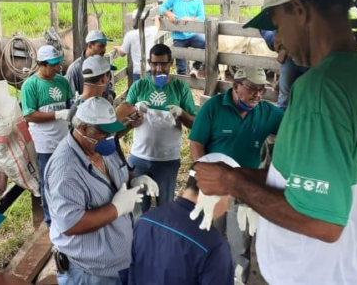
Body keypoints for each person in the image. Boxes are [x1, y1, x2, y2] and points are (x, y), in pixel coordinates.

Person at [193, 0, 357, 284]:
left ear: (299, 10)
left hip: (314, 273)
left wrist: (232, 182)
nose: (277, 41)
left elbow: (323, 222)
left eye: (278, 25)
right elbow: (314, 181)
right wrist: (236, 173)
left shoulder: (320, 89)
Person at [44, 97, 159, 285]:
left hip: (119, 265)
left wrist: (136, 179)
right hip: (90, 274)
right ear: (82, 129)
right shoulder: (65, 171)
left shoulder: (102, 147)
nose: (108, 138)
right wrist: (116, 209)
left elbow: (120, 171)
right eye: (102, 133)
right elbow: (70, 224)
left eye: (110, 132)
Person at [188, 67, 283, 284]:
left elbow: (294, 126)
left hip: (245, 189)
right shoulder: (214, 107)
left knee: (240, 243)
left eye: (262, 89)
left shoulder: (267, 112)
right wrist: (203, 177)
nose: (258, 94)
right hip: (215, 187)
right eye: (252, 88)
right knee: (208, 235)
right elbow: (196, 142)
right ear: (236, 85)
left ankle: (237, 279)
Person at [260, 0, 357, 110]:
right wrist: (281, 46)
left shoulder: (325, 80)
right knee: (286, 95)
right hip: (294, 57)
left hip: (308, 60)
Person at [121, 153, 236, 285]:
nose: (227, 209)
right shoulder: (214, 246)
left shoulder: (145, 220)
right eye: (231, 199)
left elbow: (132, 274)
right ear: (218, 193)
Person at [121, 44, 197, 213]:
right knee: (138, 208)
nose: (159, 68)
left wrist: (182, 113)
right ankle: (139, 238)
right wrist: (134, 111)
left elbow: (194, 124)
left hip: (167, 159)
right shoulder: (139, 86)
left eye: (163, 64)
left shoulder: (180, 88)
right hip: (139, 157)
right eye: (155, 64)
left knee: (165, 208)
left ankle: (161, 239)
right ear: (149, 62)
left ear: (171, 63)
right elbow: (122, 118)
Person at [21, 45, 75, 226]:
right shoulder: (31, 85)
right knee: (47, 181)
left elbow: (69, 103)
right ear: (40, 65)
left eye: (57, 64)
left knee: (67, 176)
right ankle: (50, 220)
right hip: (45, 142)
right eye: (52, 65)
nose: (56, 68)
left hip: (64, 139)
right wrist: (58, 115)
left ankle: (67, 211)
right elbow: (29, 115)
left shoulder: (62, 81)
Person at [159, 0, 205, 77]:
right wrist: (169, 13)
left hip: (192, 34)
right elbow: (162, 8)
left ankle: (195, 68)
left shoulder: (198, 0)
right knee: (181, 69)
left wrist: (190, 19)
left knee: (207, 44)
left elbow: (201, 17)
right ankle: (182, 85)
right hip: (178, 36)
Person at [66, 30, 116, 100]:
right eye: (101, 46)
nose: (104, 50)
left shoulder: (103, 63)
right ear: (90, 46)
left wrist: (110, 94)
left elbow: (108, 83)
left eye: (105, 46)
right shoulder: (74, 69)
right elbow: (71, 97)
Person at [116, 14, 161, 82]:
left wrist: (118, 48)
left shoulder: (130, 35)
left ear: (134, 21)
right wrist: (156, 18)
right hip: (152, 68)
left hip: (138, 71)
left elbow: (122, 53)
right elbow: (157, 26)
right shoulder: (151, 31)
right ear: (144, 21)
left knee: (139, 91)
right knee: (152, 90)